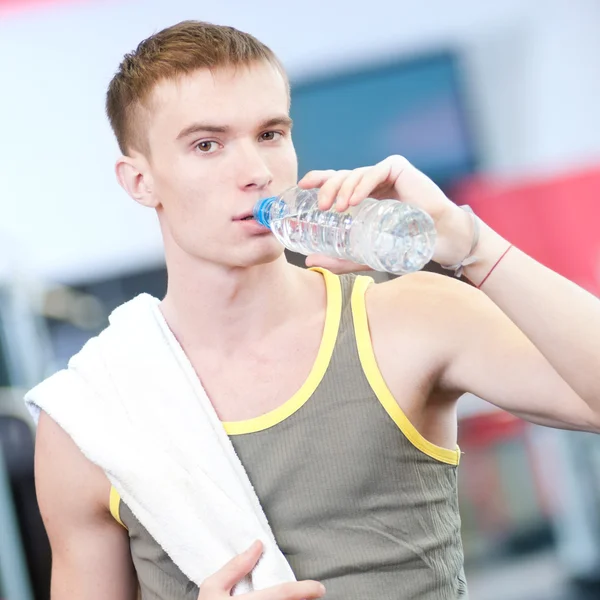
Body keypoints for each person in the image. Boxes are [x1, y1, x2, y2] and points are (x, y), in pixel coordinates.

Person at [32, 20, 600, 600]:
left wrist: (471, 245)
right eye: (208, 144)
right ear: (140, 181)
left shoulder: (408, 317)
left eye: (271, 134)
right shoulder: (91, 419)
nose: (255, 171)